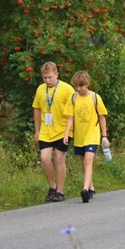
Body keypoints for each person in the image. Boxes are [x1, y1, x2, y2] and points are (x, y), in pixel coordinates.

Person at [63, 71, 109, 203]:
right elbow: (70, 118)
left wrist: (104, 135)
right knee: (84, 162)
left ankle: (85, 190)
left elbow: (102, 116)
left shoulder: (95, 97)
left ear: (87, 84)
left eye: (81, 86)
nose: (78, 89)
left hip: (92, 134)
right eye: (76, 86)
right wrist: (66, 133)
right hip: (79, 136)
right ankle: (91, 187)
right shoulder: (73, 98)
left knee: (88, 160)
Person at [33, 61, 76, 202]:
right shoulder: (40, 89)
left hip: (63, 130)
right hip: (46, 130)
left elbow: (74, 109)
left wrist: (72, 130)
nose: (47, 80)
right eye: (45, 78)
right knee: (45, 159)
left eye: (50, 77)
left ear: (56, 74)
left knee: (59, 159)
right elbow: (37, 109)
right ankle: (52, 187)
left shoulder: (67, 89)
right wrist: (37, 130)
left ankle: (60, 191)